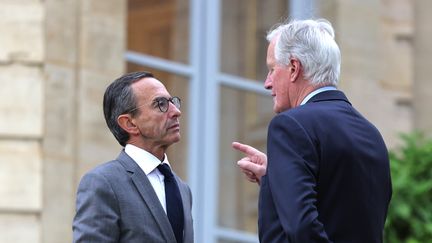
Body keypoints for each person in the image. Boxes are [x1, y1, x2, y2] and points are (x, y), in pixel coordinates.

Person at [232, 18, 392, 242]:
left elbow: (301, 230)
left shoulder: (289, 126)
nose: (267, 83)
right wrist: (276, 176)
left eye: (271, 69)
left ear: (294, 68)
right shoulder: (372, 134)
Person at [73, 71, 193, 243]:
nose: (176, 112)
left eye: (172, 102)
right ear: (129, 123)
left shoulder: (183, 189)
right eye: (160, 104)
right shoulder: (103, 182)